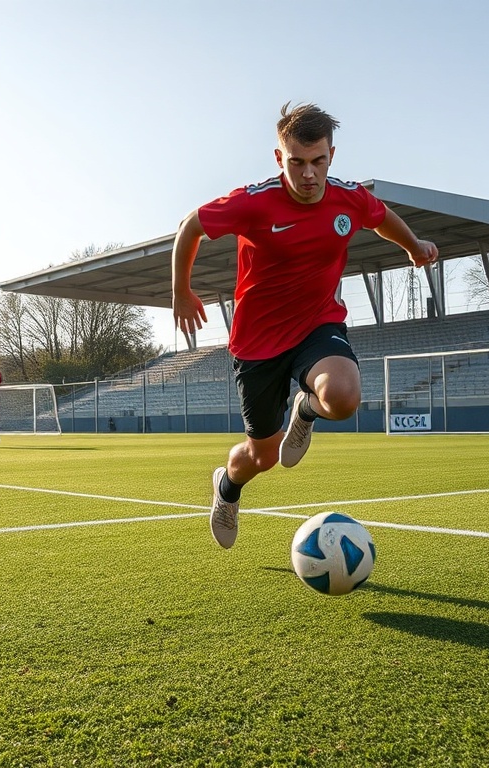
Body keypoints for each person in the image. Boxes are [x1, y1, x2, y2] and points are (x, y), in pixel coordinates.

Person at [171, 102, 438, 549]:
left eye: (318, 162)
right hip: (257, 345)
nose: (308, 174)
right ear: (280, 159)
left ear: (332, 155)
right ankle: (227, 489)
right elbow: (190, 226)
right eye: (297, 162)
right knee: (263, 458)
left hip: (317, 324)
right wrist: (181, 290)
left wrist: (413, 247)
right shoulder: (253, 202)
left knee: (344, 397)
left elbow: (380, 217)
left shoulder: (348, 197)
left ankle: (307, 408)